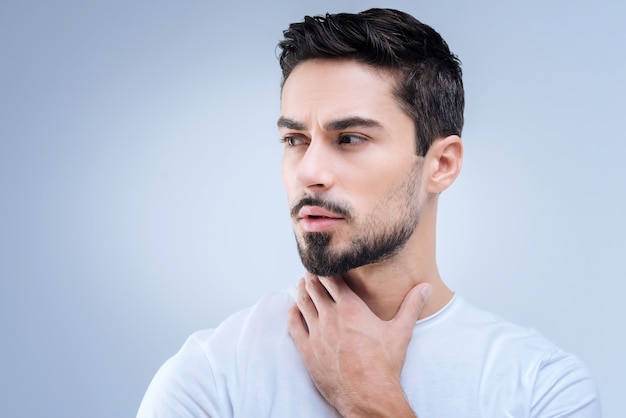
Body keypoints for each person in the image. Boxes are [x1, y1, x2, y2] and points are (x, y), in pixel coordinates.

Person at [137, 8, 601, 417]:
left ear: (441, 165)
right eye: (294, 141)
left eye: (350, 138)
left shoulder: (542, 386)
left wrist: (373, 400)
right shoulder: (210, 377)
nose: (310, 172)